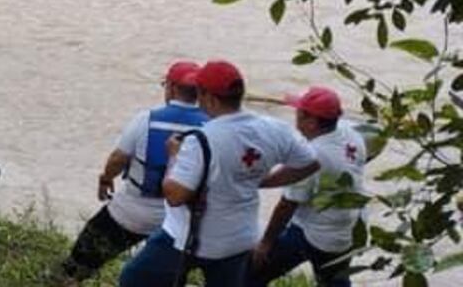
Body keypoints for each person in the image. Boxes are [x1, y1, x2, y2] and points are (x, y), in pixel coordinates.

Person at [118, 60, 320, 287]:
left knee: (133, 279)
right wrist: (260, 182)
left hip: (189, 240)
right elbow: (310, 163)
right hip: (239, 239)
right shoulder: (274, 129)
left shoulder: (202, 140)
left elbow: (175, 195)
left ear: (209, 98)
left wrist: (174, 156)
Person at [60, 61, 208, 282]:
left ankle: (67, 280)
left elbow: (119, 158)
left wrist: (105, 178)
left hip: (132, 212)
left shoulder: (146, 119)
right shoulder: (211, 126)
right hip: (179, 222)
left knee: (80, 260)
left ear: (172, 88)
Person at [250, 87, 367, 287]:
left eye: (299, 113)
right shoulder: (350, 132)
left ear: (312, 122)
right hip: (351, 227)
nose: (295, 116)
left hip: (315, 233)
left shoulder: (313, 156)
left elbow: (286, 205)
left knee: (253, 273)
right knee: (334, 279)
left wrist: (265, 244)